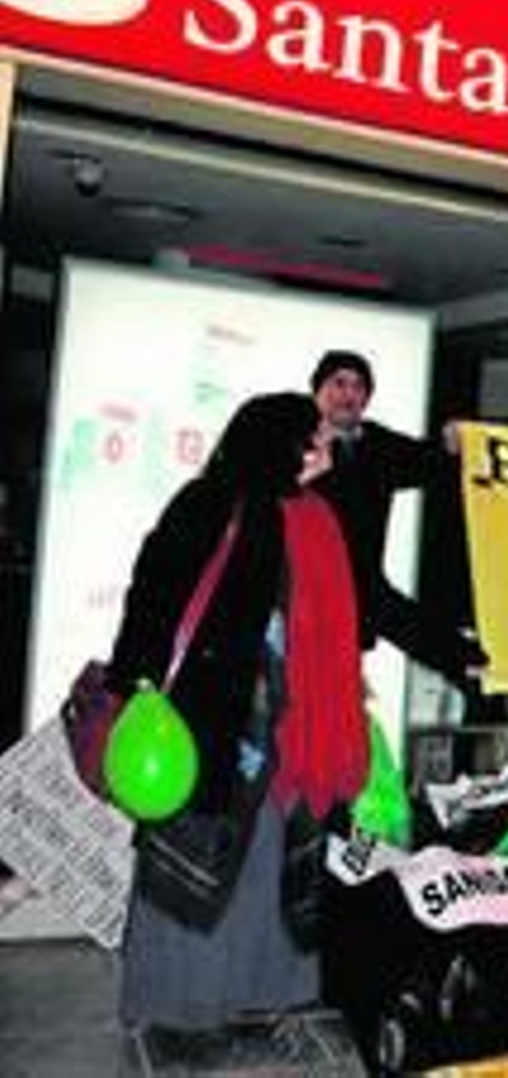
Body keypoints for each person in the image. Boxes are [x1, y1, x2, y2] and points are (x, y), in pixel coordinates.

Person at [110, 392, 370, 1030]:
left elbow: (355, 615)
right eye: (312, 439)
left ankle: (265, 991)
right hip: (218, 720)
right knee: (207, 858)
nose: (323, 449)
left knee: (272, 864)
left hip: (295, 729)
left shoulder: (320, 518)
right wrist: (136, 676)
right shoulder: (209, 502)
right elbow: (155, 590)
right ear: (277, 443)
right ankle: (184, 1002)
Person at [309, 350, 487, 685]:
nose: (349, 394)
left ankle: (475, 665)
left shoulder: (377, 445)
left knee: (419, 633)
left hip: (361, 587)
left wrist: (455, 444)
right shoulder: (293, 441)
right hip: (302, 589)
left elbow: (429, 461)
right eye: (339, 383)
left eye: (359, 386)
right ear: (317, 390)